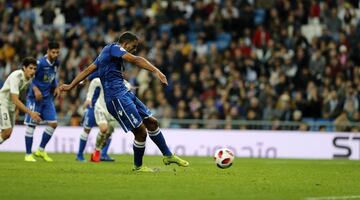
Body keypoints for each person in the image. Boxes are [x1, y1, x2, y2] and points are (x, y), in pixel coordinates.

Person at [61, 31, 189, 172]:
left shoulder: (106, 55)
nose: (134, 50)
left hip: (125, 93)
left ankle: (168, 155)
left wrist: (70, 86)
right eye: (133, 46)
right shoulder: (113, 48)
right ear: (125, 43)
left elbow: (88, 70)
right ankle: (138, 166)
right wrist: (156, 71)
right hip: (116, 98)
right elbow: (134, 59)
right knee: (141, 132)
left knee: (152, 122)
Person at [23, 42, 60, 162]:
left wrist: (57, 87)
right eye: (53, 52)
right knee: (32, 125)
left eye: (57, 52)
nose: (55, 55)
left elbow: (53, 77)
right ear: (48, 51)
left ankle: (41, 150)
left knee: (53, 124)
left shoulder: (56, 63)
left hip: (47, 98)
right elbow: (30, 77)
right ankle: (28, 154)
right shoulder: (39, 63)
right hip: (34, 98)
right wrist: (35, 89)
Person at [0, 57, 42, 145]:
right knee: (6, 131)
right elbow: (15, 99)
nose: (33, 71)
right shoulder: (17, 76)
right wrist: (31, 113)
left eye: (34, 69)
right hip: (2, 103)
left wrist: (17, 109)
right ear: (24, 68)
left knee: (8, 134)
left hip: (11, 106)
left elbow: (20, 96)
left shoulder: (29, 79)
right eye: (30, 68)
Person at [76, 72, 116, 162]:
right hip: (93, 106)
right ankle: (79, 155)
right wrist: (88, 98)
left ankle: (103, 154)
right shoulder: (97, 72)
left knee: (109, 130)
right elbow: (90, 80)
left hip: (106, 108)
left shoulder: (114, 74)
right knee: (87, 129)